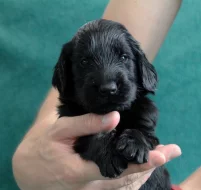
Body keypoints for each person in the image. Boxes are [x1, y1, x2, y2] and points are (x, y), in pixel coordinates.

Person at [12, 0, 196, 189]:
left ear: (139, 66)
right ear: (67, 74)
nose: (108, 84)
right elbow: (57, 142)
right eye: (84, 62)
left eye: (123, 57)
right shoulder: (73, 112)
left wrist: (137, 139)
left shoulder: (142, 113)